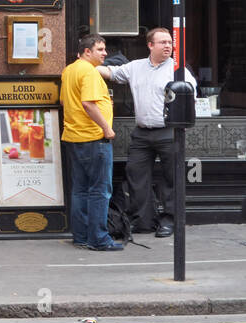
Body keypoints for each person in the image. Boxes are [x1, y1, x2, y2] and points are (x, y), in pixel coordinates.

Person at [99, 27, 192, 238]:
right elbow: (112, 73)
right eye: (163, 42)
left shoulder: (178, 70)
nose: (168, 46)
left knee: (171, 179)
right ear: (150, 45)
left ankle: (169, 221)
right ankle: (143, 221)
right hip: (142, 132)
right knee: (136, 175)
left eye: (169, 42)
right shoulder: (136, 67)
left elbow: (190, 97)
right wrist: (86, 66)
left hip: (169, 131)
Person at [61, 34, 123, 251]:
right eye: (100, 49)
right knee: (99, 190)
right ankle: (98, 238)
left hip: (73, 137)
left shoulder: (70, 70)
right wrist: (107, 128)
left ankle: (81, 235)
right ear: (87, 51)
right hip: (94, 139)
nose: (105, 53)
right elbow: (88, 103)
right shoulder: (89, 72)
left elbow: (65, 100)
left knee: (80, 190)